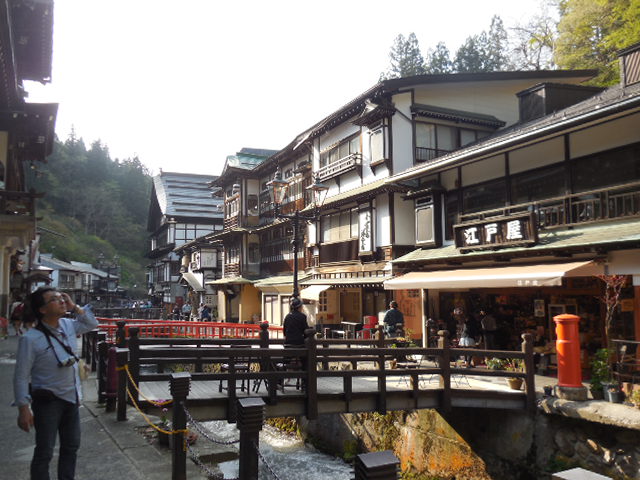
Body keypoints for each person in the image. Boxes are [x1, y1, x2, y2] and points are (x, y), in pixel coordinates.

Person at [13, 287, 98, 480]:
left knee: (71, 446)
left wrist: (74, 307)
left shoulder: (68, 325)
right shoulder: (30, 339)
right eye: (54, 299)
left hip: (72, 397)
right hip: (47, 400)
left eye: (62, 298)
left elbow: (91, 323)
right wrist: (23, 408)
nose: (61, 301)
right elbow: (21, 376)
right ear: (42, 309)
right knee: (45, 450)